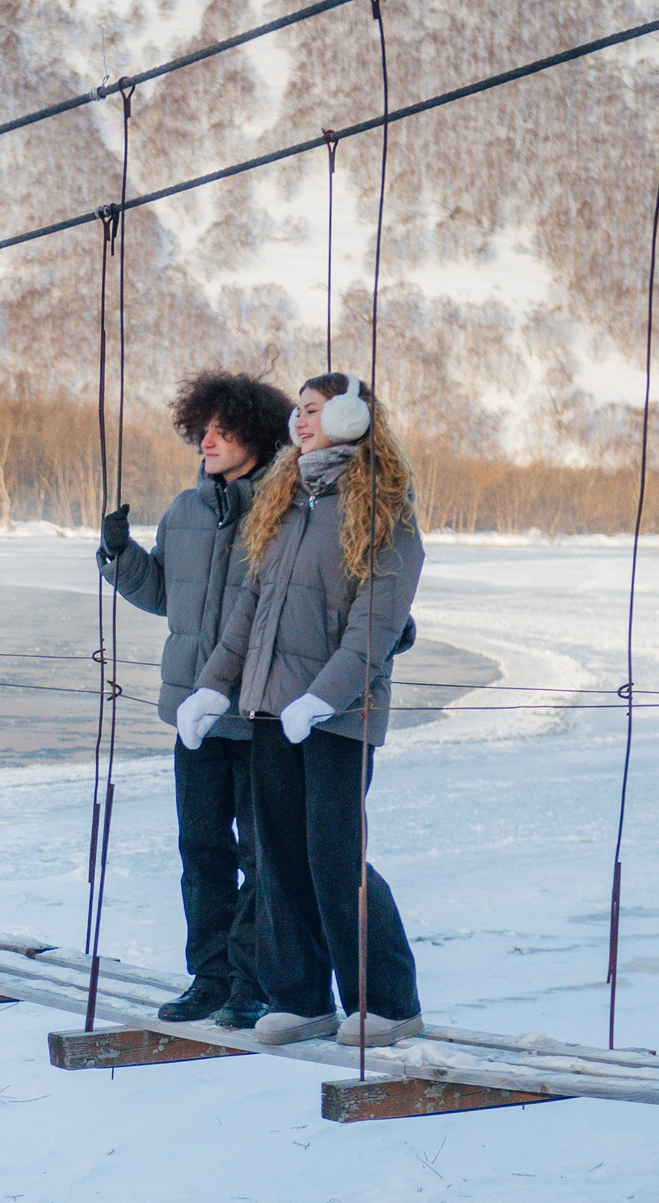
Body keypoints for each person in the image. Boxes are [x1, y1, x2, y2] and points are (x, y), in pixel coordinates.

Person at [175, 371, 424, 1048]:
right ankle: (302, 996)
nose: (300, 422)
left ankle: (387, 1001)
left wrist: (322, 697)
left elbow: (374, 624)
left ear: (350, 417)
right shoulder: (286, 502)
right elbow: (248, 613)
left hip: (338, 716)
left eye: (314, 410)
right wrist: (212, 687)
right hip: (268, 710)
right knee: (280, 858)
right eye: (299, 412)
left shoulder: (384, 509)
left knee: (334, 855)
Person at [96, 370, 292, 1028]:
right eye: (201, 427)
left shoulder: (287, 508)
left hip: (260, 712)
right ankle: (208, 979)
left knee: (261, 856)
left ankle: (252, 980)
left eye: (222, 428)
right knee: (200, 851)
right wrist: (120, 554)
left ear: (257, 434)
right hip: (192, 715)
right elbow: (163, 597)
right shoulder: (184, 510)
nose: (206, 439)